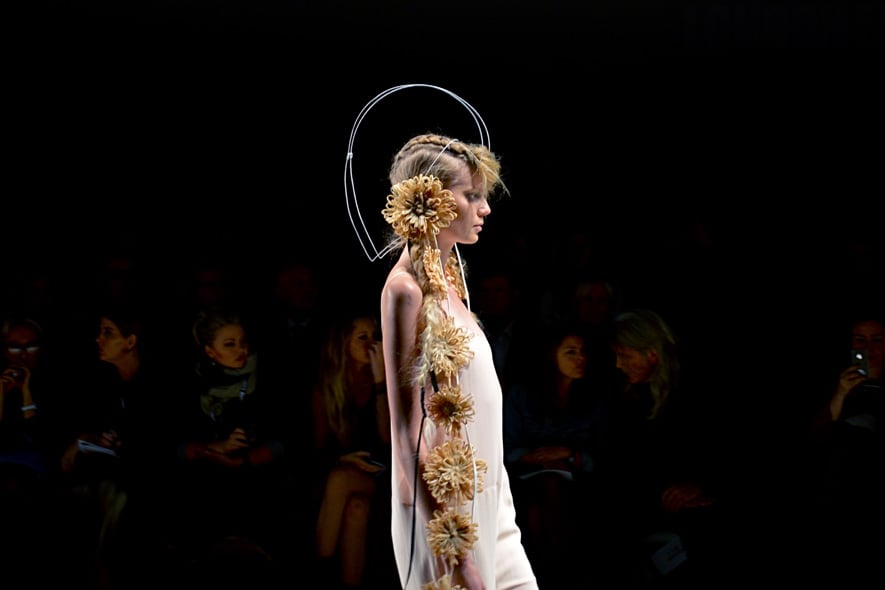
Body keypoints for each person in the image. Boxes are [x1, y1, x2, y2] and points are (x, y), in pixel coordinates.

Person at [346, 91, 538, 589]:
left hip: (490, 493)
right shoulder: (404, 291)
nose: (485, 208)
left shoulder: (454, 280)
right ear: (428, 199)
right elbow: (406, 432)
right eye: (471, 195)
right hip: (444, 509)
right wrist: (454, 549)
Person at [502, 322, 611, 587]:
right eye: (571, 352)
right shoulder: (523, 395)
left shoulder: (594, 400)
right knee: (539, 505)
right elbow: (507, 447)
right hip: (527, 479)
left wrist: (569, 454)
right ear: (552, 355)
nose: (580, 358)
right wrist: (534, 456)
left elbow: (603, 455)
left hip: (578, 481)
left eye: (583, 352)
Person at [310, 309, 394, 589]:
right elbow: (318, 447)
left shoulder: (384, 382)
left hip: (381, 472)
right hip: (343, 470)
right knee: (356, 509)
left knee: (340, 479)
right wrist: (343, 459)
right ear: (343, 343)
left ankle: (318, 572)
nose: (372, 343)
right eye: (362, 337)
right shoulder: (327, 388)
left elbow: (386, 438)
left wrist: (380, 381)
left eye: (375, 336)